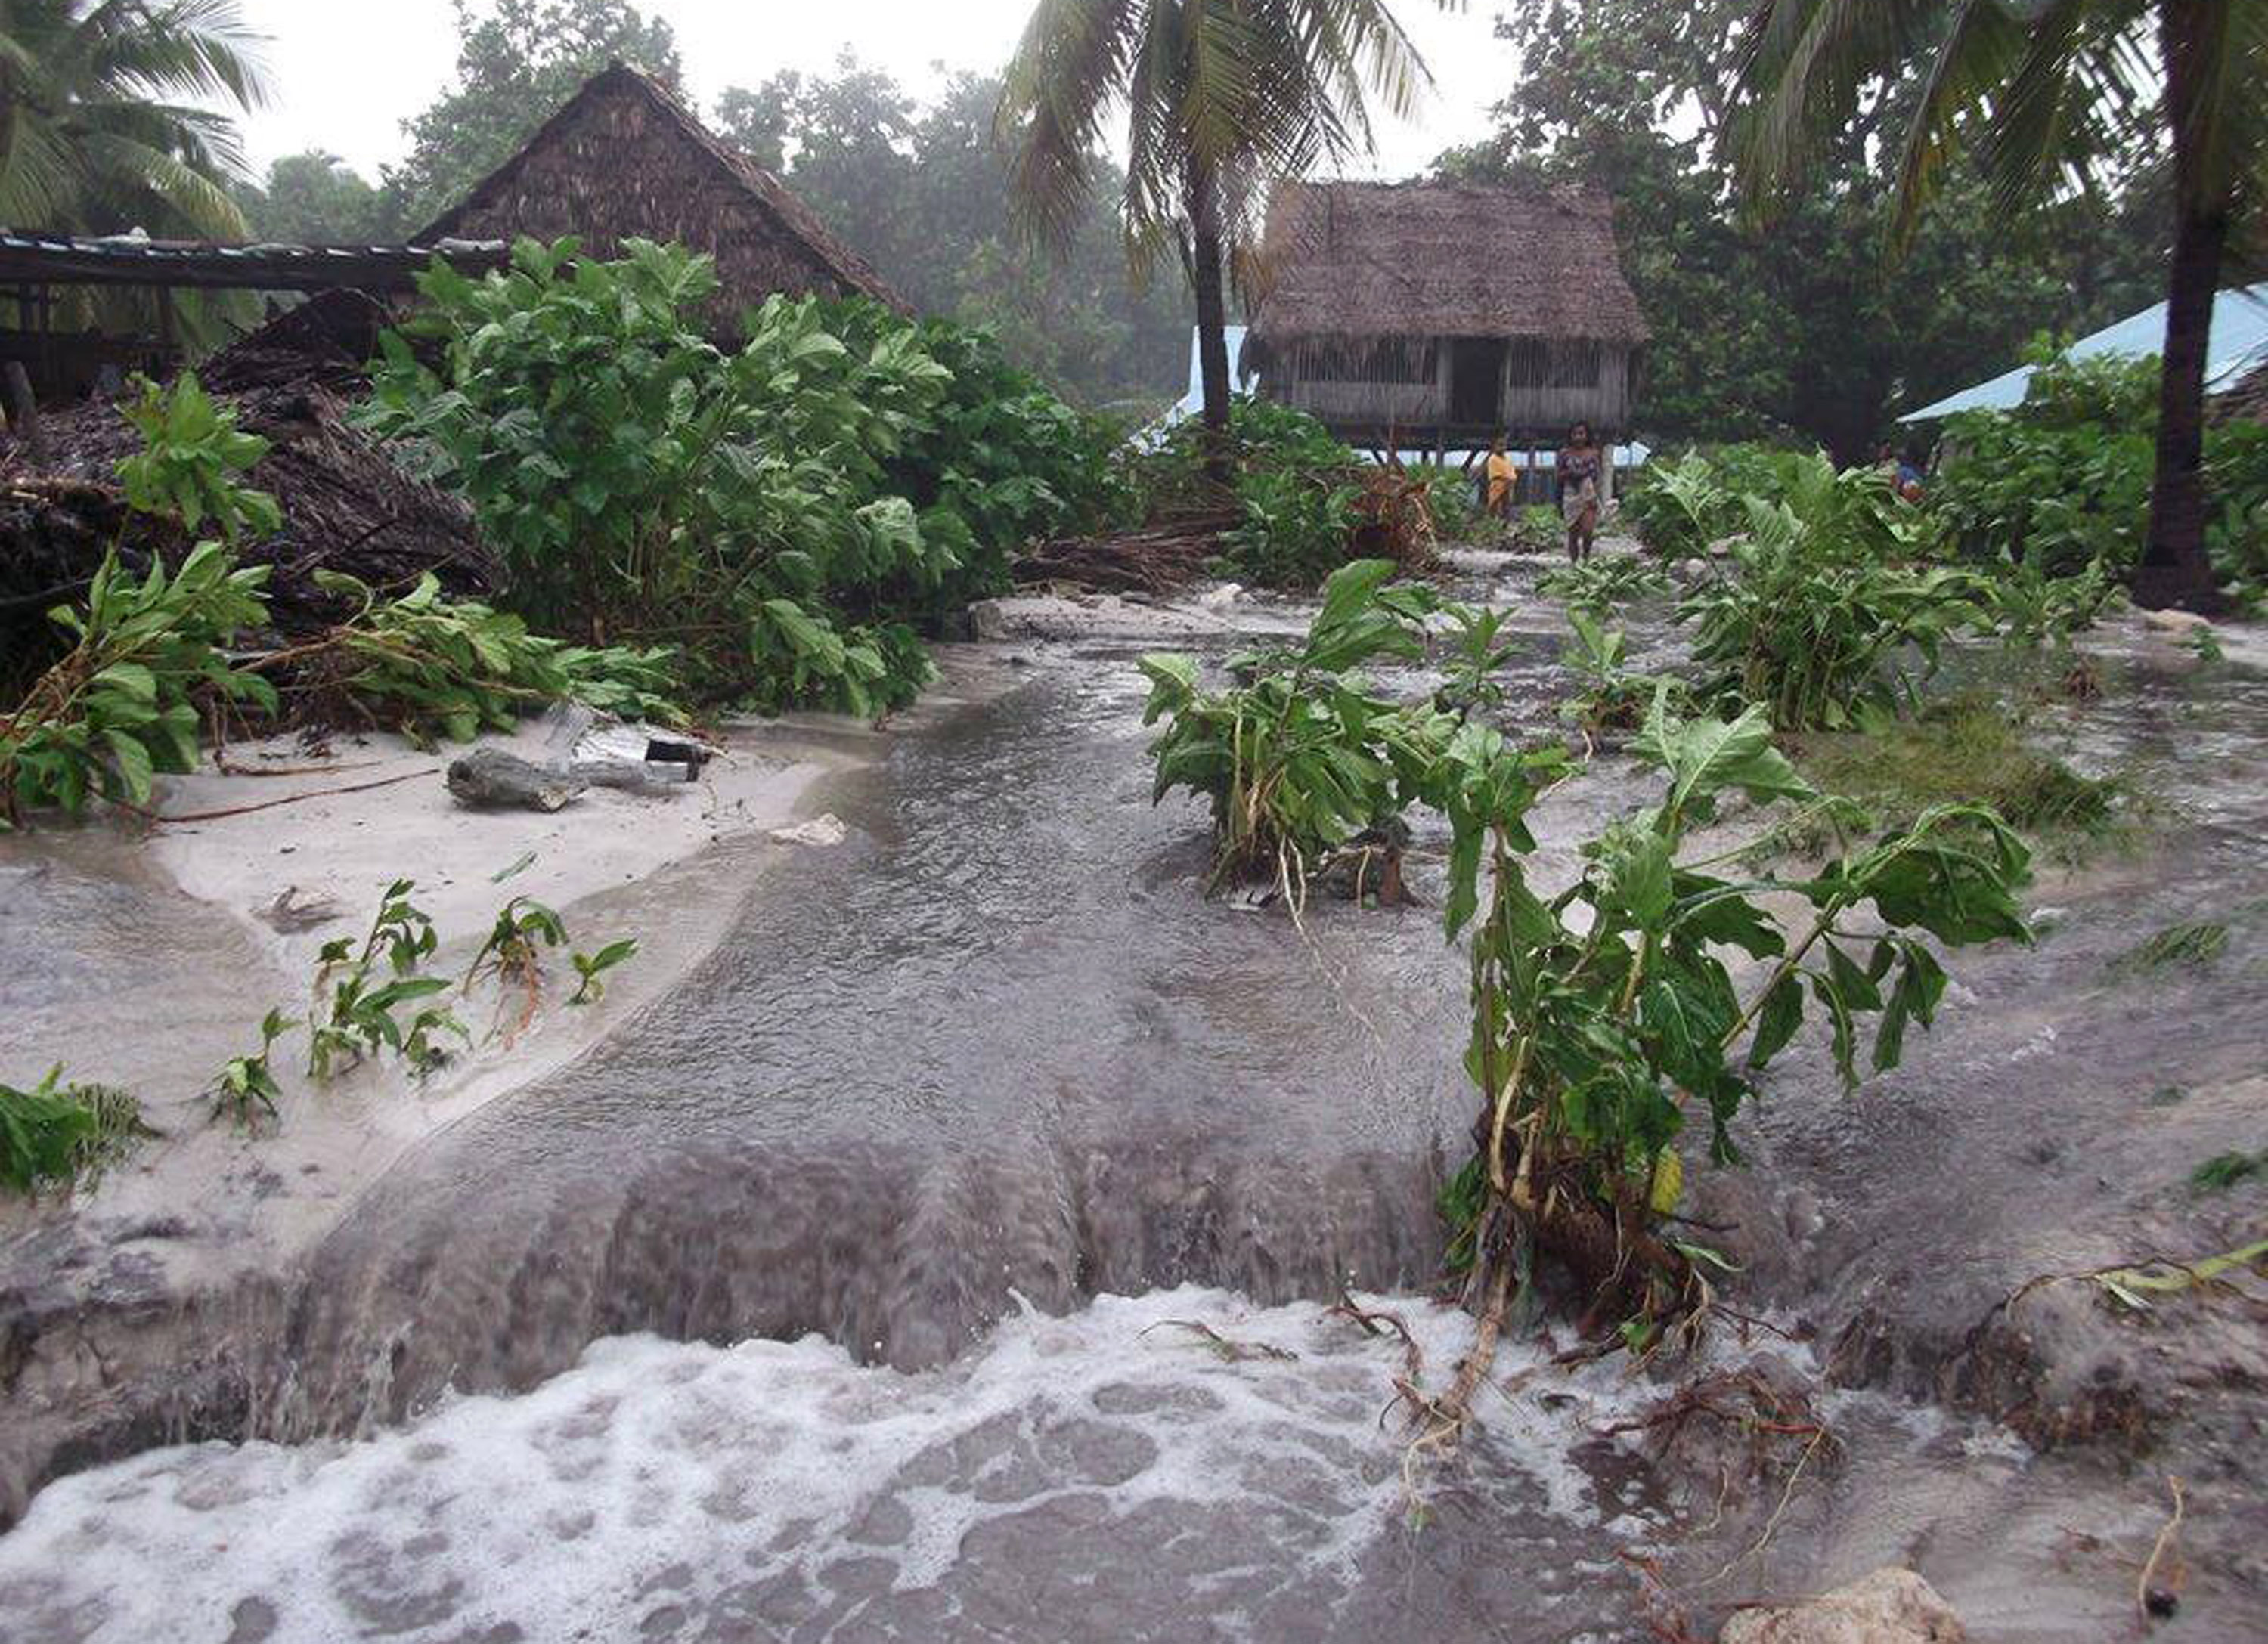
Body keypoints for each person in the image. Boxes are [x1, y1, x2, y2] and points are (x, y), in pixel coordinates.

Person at [1556, 422, 1603, 562]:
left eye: (1581, 433)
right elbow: (1558, 476)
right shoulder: (1564, 454)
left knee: (1588, 531)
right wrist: (1571, 473)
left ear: (1587, 435)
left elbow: (1598, 476)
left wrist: (1597, 495)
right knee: (1573, 533)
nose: (1578, 437)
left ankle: (1586, 558)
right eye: (1575, 434)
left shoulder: (1594, 453)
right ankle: (1575, 565)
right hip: (1570, 494)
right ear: (1570, 436)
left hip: (1588, 493)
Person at [1483, 435, 1516, 522]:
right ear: (1495, 447)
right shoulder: (1492, 459)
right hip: (1498, 484)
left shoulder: (1508, 459)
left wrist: (1512, 479)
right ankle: (1491, 523)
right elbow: (1495, 474)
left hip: (1508, 485)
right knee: (1494, 505)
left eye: (1504, 446)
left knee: (1507, 507)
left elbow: (1512, 471)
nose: (1503, 448)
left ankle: (1505, 524)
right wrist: (1507, 478)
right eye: (1500, 445)